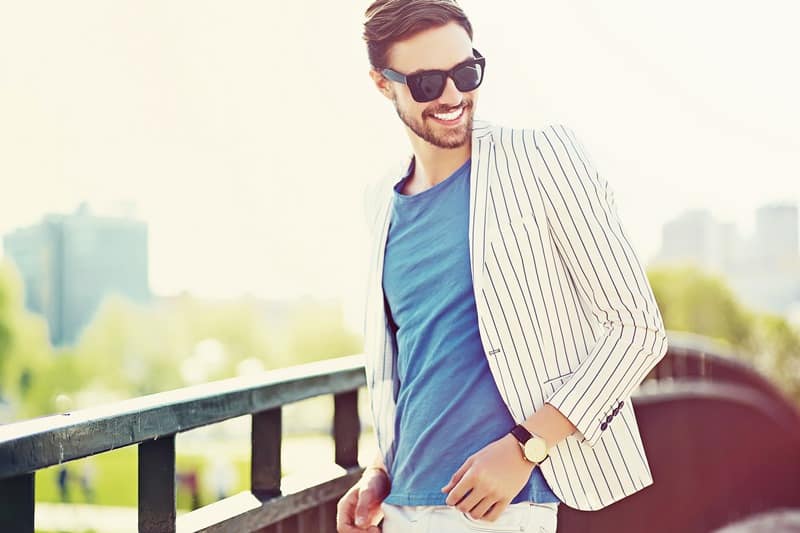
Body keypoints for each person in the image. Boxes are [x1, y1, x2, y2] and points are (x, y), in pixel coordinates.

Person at [337, 1, 668, 532]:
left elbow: (637, 331)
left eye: (466, 73)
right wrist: (381, 466)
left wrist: (524, 448)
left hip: (504, 505)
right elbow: (415, 363)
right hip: (402, 506)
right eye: (426, 83)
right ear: (383, 84)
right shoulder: (380, 202)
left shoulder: (540, 159)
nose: (452, 96)